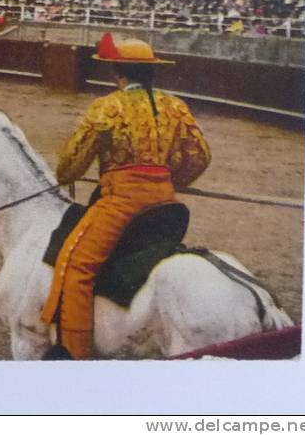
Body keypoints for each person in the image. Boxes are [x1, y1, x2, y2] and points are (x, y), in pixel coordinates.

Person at [40, 33, 212, 360]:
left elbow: (69, 166)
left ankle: (73, 356)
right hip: (166, 203)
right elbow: (200, 156)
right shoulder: (175, 106)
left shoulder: (107, 107)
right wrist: (169, 179)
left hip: (121, 204)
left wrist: (71, 174)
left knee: (75, 264)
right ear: (151, 73)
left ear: (117, 72)